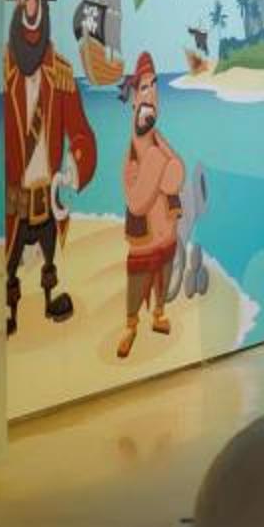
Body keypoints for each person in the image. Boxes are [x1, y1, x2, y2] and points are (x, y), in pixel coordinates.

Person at [1, 0, 96, 336]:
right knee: (11, 263)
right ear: (17, 1)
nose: (32, 4)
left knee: (49, 260)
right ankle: (9, 309)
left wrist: (75, 167)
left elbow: (82, 133)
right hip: (16, 201)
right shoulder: (4, 71)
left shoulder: (61, 73)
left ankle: (49, 298)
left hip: (47, 199)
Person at [118, 52, 186, 359]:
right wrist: (159, 166)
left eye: (155, 86)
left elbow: (177, 172)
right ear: (135, 97)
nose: (152, 93)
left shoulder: (158, 139)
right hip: (144, 234)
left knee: (165, 270)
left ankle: (158, 313)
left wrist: (164, 173)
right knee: (138, 276)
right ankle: (131, 325)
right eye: (145, 87)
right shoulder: (135, 153)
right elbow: (136, 201)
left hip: (166, 227)